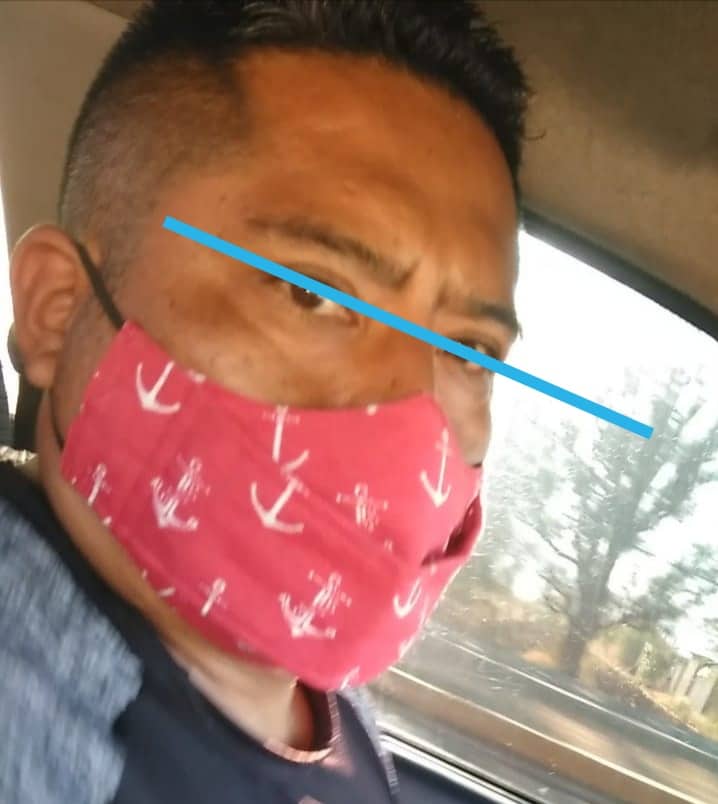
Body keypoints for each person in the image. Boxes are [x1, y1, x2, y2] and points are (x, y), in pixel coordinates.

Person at [1, 1, 528, 802]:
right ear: (58, 308)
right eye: (314, 294)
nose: (413, 419)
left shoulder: (334, 706)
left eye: (469, 352)